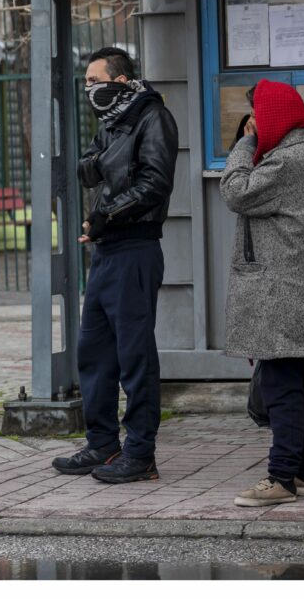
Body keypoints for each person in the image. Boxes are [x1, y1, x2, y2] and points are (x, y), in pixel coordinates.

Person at [51, 46, 179, 484]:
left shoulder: (152, 118)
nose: (90, 90)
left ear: (120, 81)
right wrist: (103, 177)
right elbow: (88, 168)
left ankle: (141, 453)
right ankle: (102, 444)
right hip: (105, 250)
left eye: (95, 81)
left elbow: (155, 182)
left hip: (135, 248)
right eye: (86, 83)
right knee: (95, 354)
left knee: (134, 356)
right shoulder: (113, 121)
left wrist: (109, 212)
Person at [219, 79, 304, 507]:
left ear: (271, 117)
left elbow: (234, 191)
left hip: (284, 293)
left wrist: (245, 143)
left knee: (282, 384)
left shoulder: (286, 162)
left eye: (256, 116)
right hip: (301, 291)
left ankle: (281, 477)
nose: (252, 124)